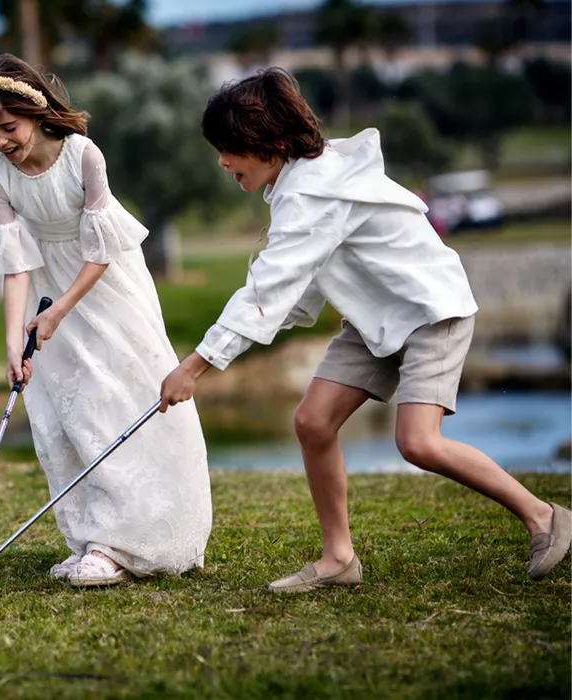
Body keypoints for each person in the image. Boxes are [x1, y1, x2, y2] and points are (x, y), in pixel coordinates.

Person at [158, 67, 570, 593]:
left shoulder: (312, 192)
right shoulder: (299, 185)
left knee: (418, 443)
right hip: (375, 317)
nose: (221, 161)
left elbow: (270, 285)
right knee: (312, 422)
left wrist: (196, 364)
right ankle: (339, 560)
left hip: (428, 310)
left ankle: (545, 517)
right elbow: (293, 290)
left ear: (274, 143)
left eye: (231, 148)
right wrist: (246, 335)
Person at [0, 54, 212, 587]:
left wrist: (57, 315)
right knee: (71, 414)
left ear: (35, 111)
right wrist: (13, 339)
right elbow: (17, 266)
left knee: (118, 399)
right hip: (48, 292)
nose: (1, 140)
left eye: (10, 126)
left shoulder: (83, 156)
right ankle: (94, 538)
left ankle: (124, 542)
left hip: (106, 288)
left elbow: (101, 253)